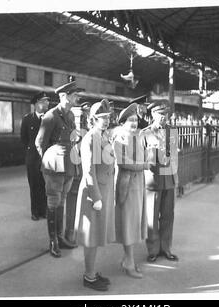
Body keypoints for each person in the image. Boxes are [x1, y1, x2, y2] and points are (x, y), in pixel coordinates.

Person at [35, 80, 81, 258]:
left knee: (62, 202)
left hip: (69, 165)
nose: (77, 97)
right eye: (74, 95)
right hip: (54, 168)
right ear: (64, 96)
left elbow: (73, 138)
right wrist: (48, 162)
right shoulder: (51, 116)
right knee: (54, 202)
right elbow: (40, 143)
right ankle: (53, 240)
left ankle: (60, 237)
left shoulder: (69, 116)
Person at [75, 99, 115, 291]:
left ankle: (91, 272)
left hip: (102, 191)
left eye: (107, 117)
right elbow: (88, 170)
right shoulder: (90, 138)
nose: (105, 121)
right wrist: (96, 197)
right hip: (94, 194)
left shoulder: (103, 136)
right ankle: (89, 276)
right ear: (92, 119)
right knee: (91, 237)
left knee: (96, 234)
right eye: (101, 118)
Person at [113, 103, 149, 279]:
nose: (134, 123)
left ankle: (128, 259)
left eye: (135, 120)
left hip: (138, 183)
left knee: (134, 222)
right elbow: (123, 162)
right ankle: (129, 262)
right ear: (123, 122)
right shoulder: (119, 138)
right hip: (127, 185)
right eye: (130, 120)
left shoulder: (137, 137)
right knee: (129, 223)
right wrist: (144, 165)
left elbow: (145, 155)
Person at [140, 102, 179, 263]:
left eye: (166, 114)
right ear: (153, 115)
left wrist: (177, 179)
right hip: (153, 179)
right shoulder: (145, 133)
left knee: (168, 215)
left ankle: (166, 248)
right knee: (152, 216)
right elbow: (140, 158)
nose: (163, 117)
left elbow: (175, 157)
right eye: (160, 114)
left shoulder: (172, 131)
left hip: (169, 178)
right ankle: (153, 250)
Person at [64, 102, 91, 245]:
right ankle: (70, 234)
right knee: (72, 204)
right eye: (80, 118)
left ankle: (75, 234)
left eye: (84, 118)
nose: (82, 121)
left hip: (82, 174)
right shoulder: (74, 135)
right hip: (75, 174)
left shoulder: (84, 133)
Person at [20, 91, 49, 221]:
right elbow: (24, 139)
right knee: (34, 185)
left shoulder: (49, 118)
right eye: (44, 101)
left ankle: (44, 211)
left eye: (47, 101)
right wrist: (31, 152)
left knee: (45, 185)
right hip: (32, 159)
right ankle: (35, 212)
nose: (47, 103)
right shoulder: (27, 119)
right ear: (37, 103)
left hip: (46, 158)